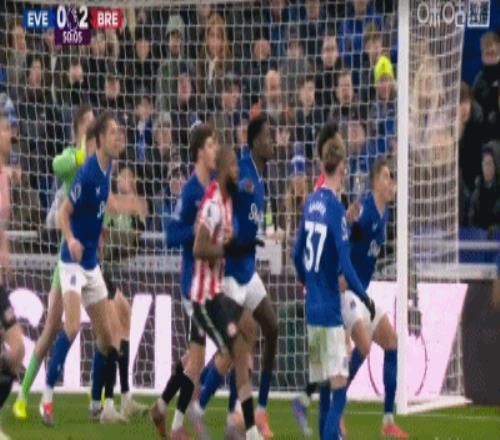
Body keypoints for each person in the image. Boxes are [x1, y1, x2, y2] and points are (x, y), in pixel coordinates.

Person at [37, 112, 130, 426]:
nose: (119, 137)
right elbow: (64, 212)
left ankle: (96, 402)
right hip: (72, 261)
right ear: (100, 139)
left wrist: (97, 235)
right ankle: (46, 399)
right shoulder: (88, 173)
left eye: (120, 132)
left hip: (91, 263)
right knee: (73, 325)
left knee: (106, 337)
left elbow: (97, 210)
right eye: (113, 132)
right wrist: (72, 239)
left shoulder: (108, 168)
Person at [190, 116, 278, 439]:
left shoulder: (261, 180)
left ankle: (256, 412)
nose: (272, 142)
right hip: (229, 276)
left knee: (271, 327)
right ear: (254, 142)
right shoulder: (240, 170)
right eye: (267, 137)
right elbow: (220, 191)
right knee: (234, 348)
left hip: (248, 271)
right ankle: (205, 407)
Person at [293, 135, 375, 440]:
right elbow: (346, 264)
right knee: (339, 389)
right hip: (329, 309)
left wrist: (308, 281)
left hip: (312, 307)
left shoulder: (310, 202)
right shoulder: (336, 209)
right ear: (342, 166)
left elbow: (296, 253)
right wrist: (364, 296)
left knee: (328, 384)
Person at [150, 124, 220, 439]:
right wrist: (196, 229)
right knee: (200, 358)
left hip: (211, 283)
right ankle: (178, 425)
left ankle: (161, 406)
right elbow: (170, 235)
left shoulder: (216, 185)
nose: (216, 150)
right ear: (199, 152)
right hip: (193, 286)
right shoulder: (191, 191)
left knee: (194, 357)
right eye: (211, 145)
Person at [340, 157, 408, 438]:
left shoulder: (385, 214)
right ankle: (336, 404)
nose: (391, 183)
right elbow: (344, 240)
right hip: (346, 290)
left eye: (392, 177)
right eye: (387, 177)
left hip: (361, 292)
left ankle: (388, 422)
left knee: (391, 341)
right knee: (363, 347)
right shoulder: (365, 213)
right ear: (375, 182)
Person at [0, 113, 25, 440]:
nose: (10, 134)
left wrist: (5, 253)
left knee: (17, 349)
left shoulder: (4, 178)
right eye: (5, 129)